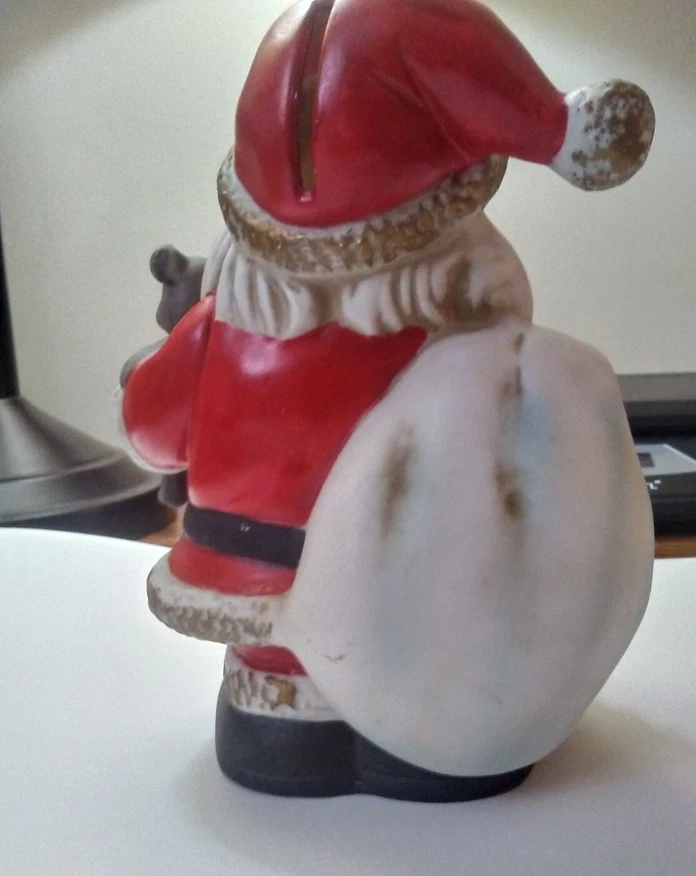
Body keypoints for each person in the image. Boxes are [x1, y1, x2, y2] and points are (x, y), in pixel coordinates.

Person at [118, 0, 655, 800]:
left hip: (262, 602)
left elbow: (153, 435)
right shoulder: (472, 343)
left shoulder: (219, 328)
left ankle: (287, 727)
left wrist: (144, 378)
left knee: (281, 709)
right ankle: (436, 738)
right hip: (427, 633)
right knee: (441, 692)